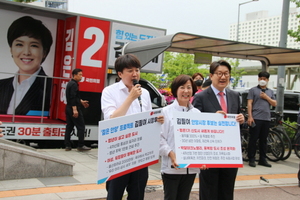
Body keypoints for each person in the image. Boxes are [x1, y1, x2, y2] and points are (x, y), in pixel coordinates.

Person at [101, 54, 163, 200]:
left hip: (140, 152)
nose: (135, 74)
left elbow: (145, 118)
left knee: (137, 193)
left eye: (137, 70)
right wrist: (130, 98)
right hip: (119, 152)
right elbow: (111, 119)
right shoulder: (109, 91)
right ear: (120, 73)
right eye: (130, 71)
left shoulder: (145, 93)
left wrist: (156, 119)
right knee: (115, 193)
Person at [192, 60, 244, 200]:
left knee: (227, 191)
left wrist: (241, 120)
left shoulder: (234, 96)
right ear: (211, 75)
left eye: (226, 73)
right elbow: (194, 124)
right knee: (209, 192)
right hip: (210, 153)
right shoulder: (200, 97)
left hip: (230, 153)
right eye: (219, 73)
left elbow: (237, 122)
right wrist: (211, 120)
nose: (223, 77)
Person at [160, 74, 206, 200]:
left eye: (189, 87)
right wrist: (171, 154)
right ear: (175, 90)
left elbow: (201, 138)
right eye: (182, 87)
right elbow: (160, 139)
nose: (186, 91)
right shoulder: (166, 111)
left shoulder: (197, 113)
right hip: (172, 168)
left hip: (190, 169)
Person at [0, 16, 53, 115]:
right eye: (19, 44)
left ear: (44, 52)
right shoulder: (1, 85)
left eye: (34, 45)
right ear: (11, 49)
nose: (26, 52)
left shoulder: (52, 89)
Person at [247, 71, 277, 168]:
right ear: (258, 79)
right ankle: (251, 158)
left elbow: (274, 103)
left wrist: (266, 97)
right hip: (256, 118)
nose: (262, 80)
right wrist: (250, 116)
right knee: (253, 139)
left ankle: (262, 159)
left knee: (263, 140)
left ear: (268, 80)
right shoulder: (253, 90)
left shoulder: (270, 92)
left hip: (266, 118)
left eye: (264, 79)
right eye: (261, 78)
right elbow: (249, 103)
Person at [64, 68, 91, 151]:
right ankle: (80, 145)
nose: (81, 77)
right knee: (81, 127)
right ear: (75, 75)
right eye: (80, 75)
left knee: (69, 127)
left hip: (68, 107)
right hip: (73, 108)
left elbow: (74, 97)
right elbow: (72, 97)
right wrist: (75, 110)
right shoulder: (74, 84)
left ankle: (67, 145)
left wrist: (81, 101)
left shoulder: (70, 83)